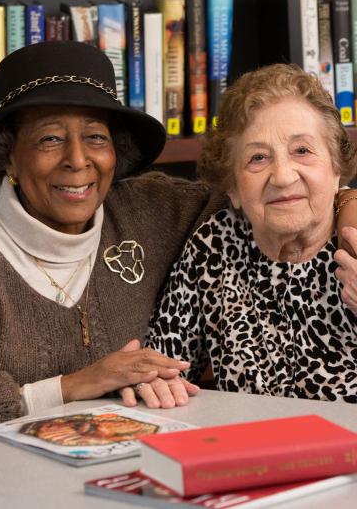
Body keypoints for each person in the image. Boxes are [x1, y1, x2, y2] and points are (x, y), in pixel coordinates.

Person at [0, 40, 230, 428]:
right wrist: (74, 385)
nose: (78, 160)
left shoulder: (148, 211)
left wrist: (346, 199)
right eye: (50, 139)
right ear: (8, 154)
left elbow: (262, 198)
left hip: (132, 467)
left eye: (95, 137)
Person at [143, 63, 357, 405]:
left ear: (336, 172)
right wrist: (148, 380)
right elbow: (165, 369)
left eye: (302, 150)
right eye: (258, 158)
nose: (284, 176)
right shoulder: (215, 246)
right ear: (233, 189)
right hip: (252, 452)